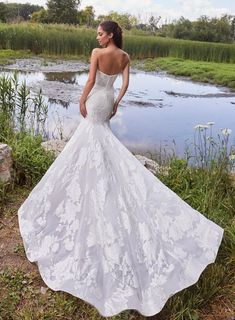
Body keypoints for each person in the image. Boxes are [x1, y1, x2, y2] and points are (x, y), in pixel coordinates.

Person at [18, 20, 224, 317]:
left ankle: (93, 184)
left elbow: (89, 80)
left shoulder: (96, 53)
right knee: (101, 141)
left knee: (90, 141)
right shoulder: (124, 56)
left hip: (95, 98)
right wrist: (116, 102)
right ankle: (104, 181)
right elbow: (125, 84)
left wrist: (81, 97)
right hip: (109, 99)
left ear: (110, 34)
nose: (97, 36)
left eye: (100, 32)